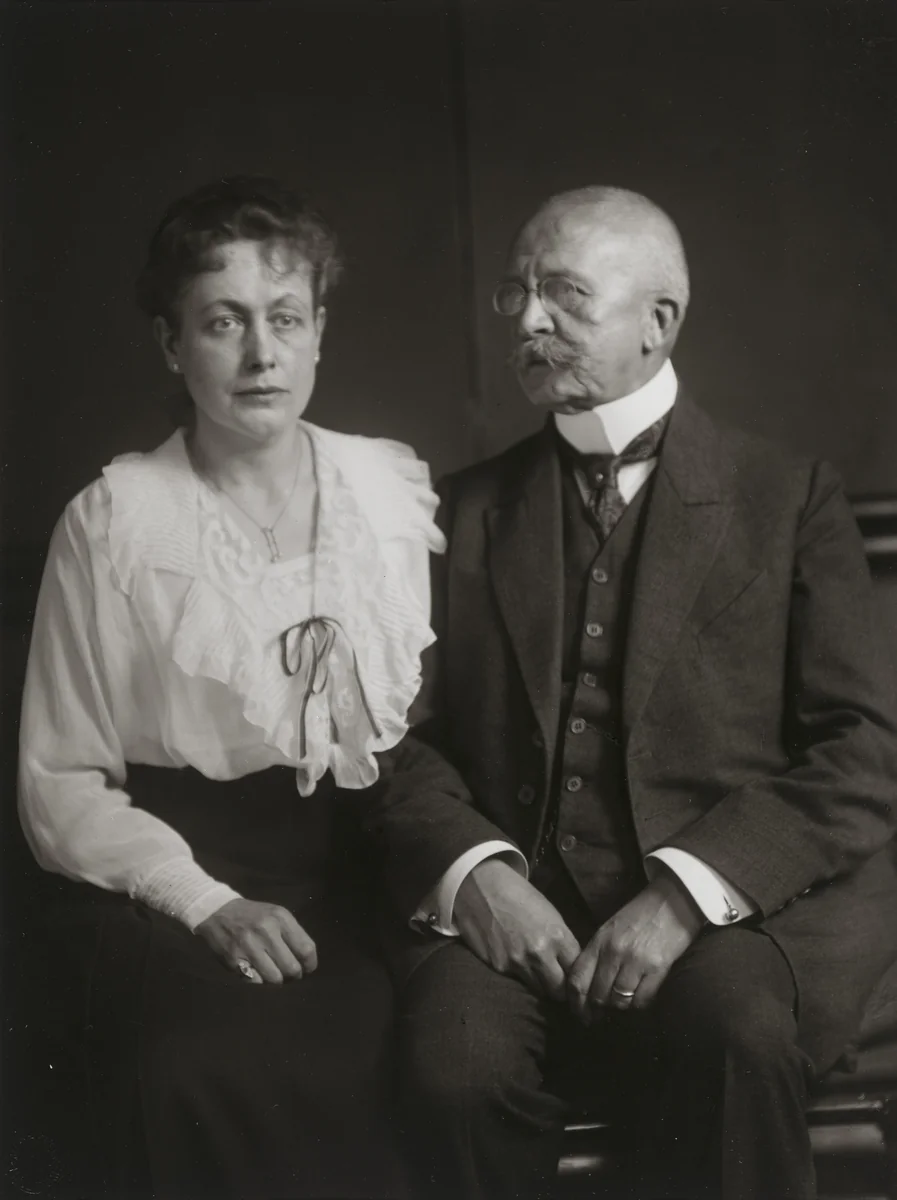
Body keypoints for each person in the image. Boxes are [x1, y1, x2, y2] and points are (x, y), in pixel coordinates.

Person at [365, 187, 897, 1199]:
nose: (528, 319)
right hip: (519, 904)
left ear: (660, 320)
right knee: (452, 1073)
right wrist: (480, 875)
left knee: (736, 1040)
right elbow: (396, 739)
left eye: (564, 294)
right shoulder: (464, 510)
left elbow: (861, 752)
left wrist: (686, 896)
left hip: (733, 916)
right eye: (517, 293)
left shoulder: (789, 497)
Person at [18, 176, 444, 1199]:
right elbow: (60, 782)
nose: (262, 354)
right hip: (172, 886)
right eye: (223, 321)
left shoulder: (386, 492)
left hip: (359, 877)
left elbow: (421, 737)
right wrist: (206, 904)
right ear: (172, 345)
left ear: (319, 332)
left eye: (285, 318)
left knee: (432, 1061)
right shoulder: (115, 522)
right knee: (200, 1070)